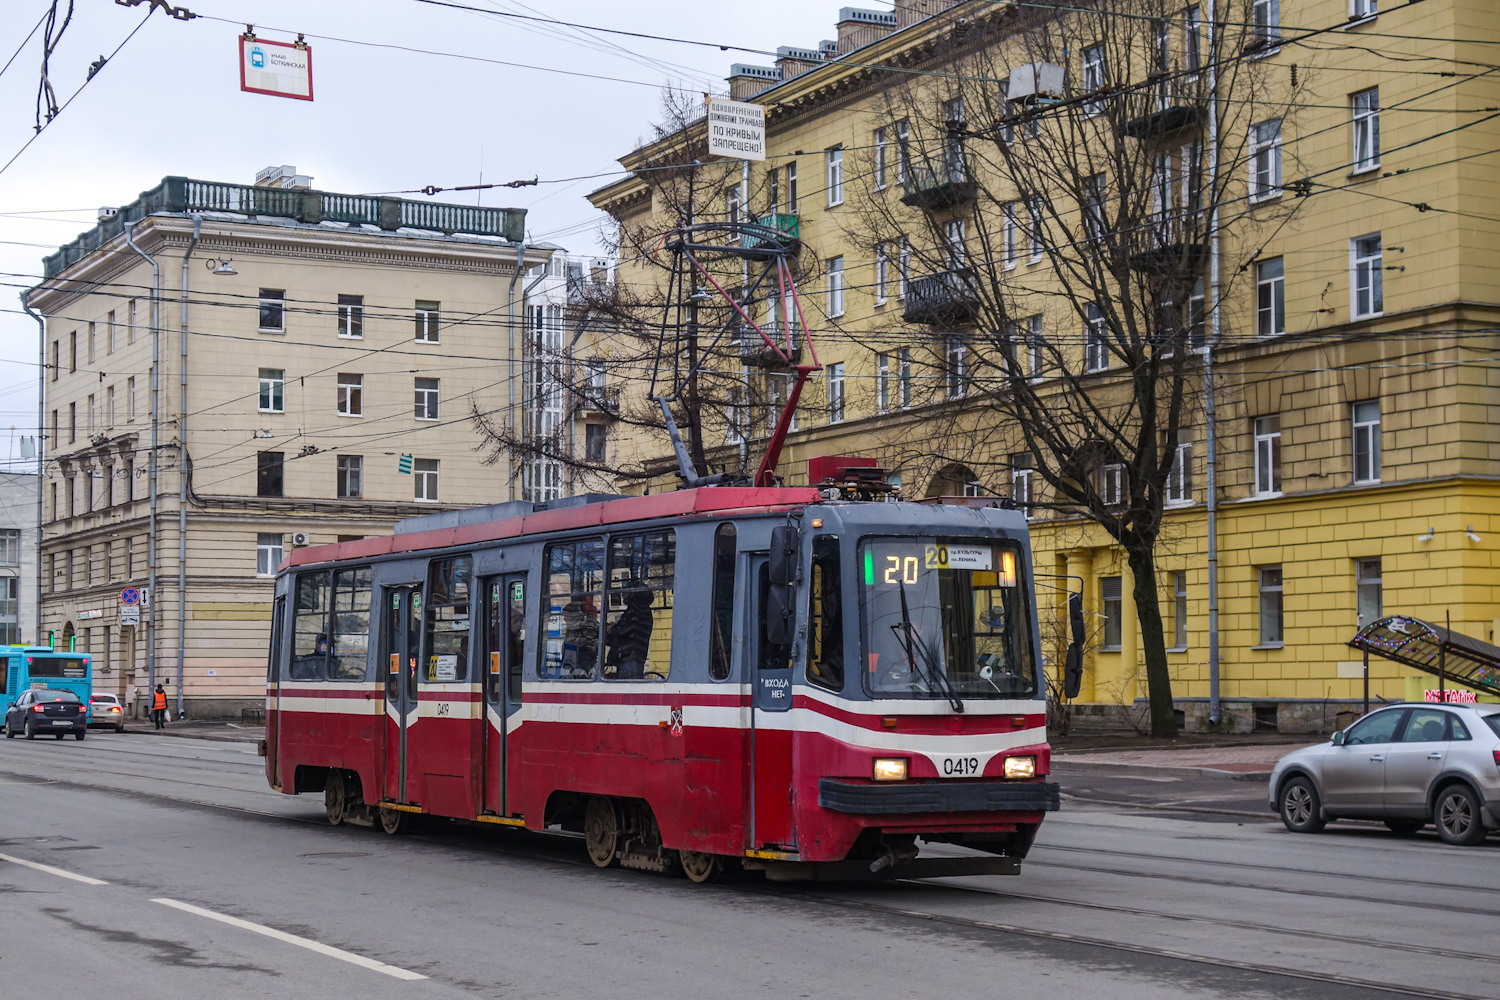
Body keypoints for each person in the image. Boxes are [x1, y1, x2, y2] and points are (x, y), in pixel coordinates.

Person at [605, 584, 655, 679]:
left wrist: (612, 628)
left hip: (629, 656)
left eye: (626, 592)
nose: (623, 595)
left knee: (627, 688)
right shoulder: (643, 610)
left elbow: (622, 631)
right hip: (635, 656)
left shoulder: (634, 610)